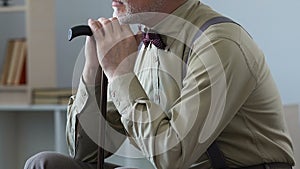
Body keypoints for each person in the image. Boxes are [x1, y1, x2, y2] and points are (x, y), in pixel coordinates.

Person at [24, 0, 295, 169]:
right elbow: (85, 153)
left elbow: (171, 158)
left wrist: (119, 74)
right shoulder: (140, 43)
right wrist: (94, 68)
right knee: (46, 164)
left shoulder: (220, 44)